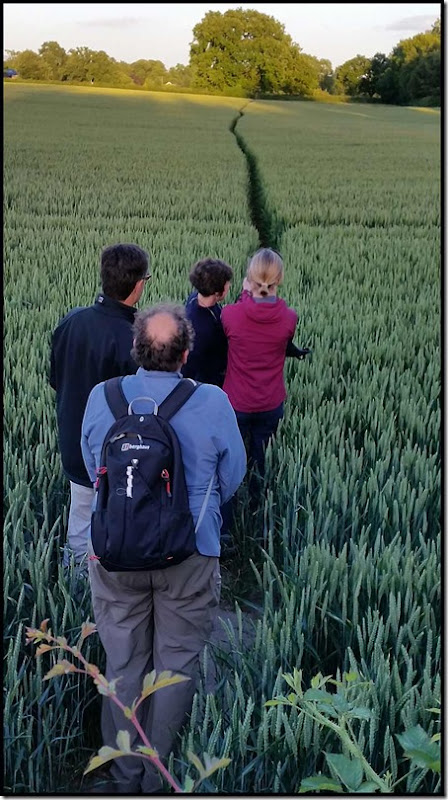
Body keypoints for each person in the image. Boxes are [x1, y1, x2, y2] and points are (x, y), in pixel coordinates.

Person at [81, 303, 246, 794]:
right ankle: (159, 779)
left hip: (115, 552)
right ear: (186, 353)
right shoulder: (213, 401)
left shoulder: (103, 397)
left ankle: (123, 773)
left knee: (123, 662)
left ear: (136, 348)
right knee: (174, 665)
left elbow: (94, 470)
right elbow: (232, 477)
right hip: (190, 554)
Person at [50, 242, 150, 571]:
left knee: (80, 517)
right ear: (138, 285)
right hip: (114, 452)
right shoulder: (134, 340)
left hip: (72, 439)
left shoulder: (71, 321)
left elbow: (55, 380)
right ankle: (110, 583)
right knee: (115, 519)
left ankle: (75, 582)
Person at [221, 247, 304, 485]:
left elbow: (240, 321)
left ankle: (234, 494)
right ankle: (259, 495)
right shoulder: (290, 318)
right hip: (270, 402)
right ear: (280, 279)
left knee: (233, 455)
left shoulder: (229, 315)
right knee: (262, 456)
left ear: (249, 279)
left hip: (236, 401)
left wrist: (245, 294)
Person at [181, 257, 233, 387]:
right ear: (217, 292)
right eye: (227, 283)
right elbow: (190, 366)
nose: (229, 286)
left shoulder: (195, 297)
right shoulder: (202, 328)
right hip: (208, 382)